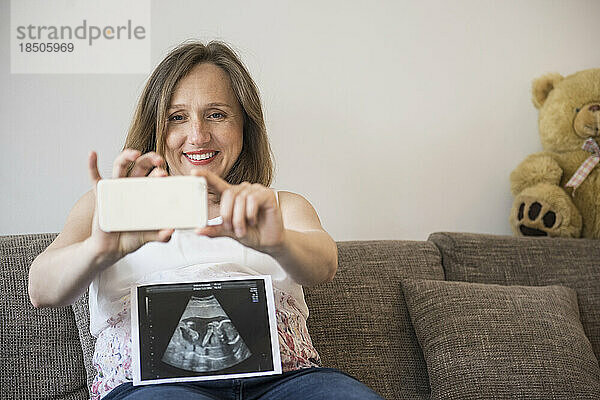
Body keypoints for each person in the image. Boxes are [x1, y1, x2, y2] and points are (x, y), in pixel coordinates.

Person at [28, 40, 383, 400]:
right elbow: (41, 289)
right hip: (156, 389)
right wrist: (98, 251)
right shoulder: (108, 206)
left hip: (286, 385)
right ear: (156, 126)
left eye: (216, 114)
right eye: (177, 117)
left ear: (245, 125)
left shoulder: (279, 206)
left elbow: (324, 265)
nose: (197, 135)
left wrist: (278, 243)